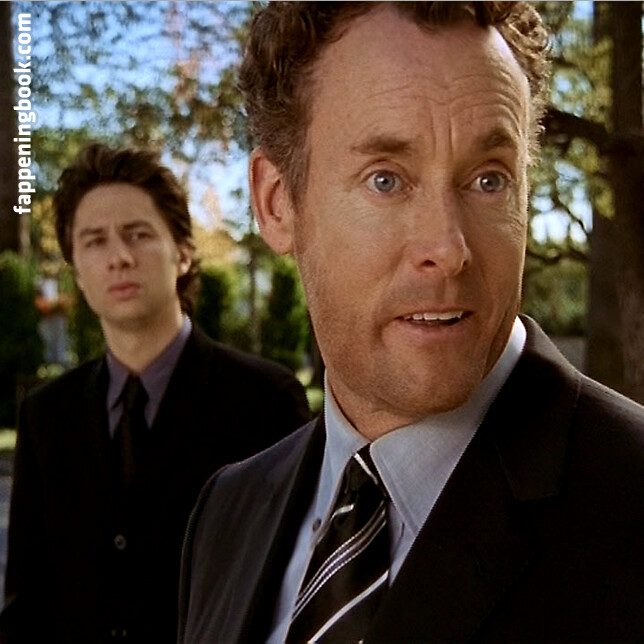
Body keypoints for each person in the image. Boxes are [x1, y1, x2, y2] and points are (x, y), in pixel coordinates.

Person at [178, 2, 644, 642]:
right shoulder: (227, 511)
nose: (449, 248)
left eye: (489, 180)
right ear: (277, 202)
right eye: (386, 180)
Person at [0, 143, 311, 643]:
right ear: (77, 271)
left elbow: (295, 595)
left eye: (138, 234)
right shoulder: (45, 415)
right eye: (94, 241)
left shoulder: (265, 400)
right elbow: (25, 608)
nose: (119, 257)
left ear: (183, 253)